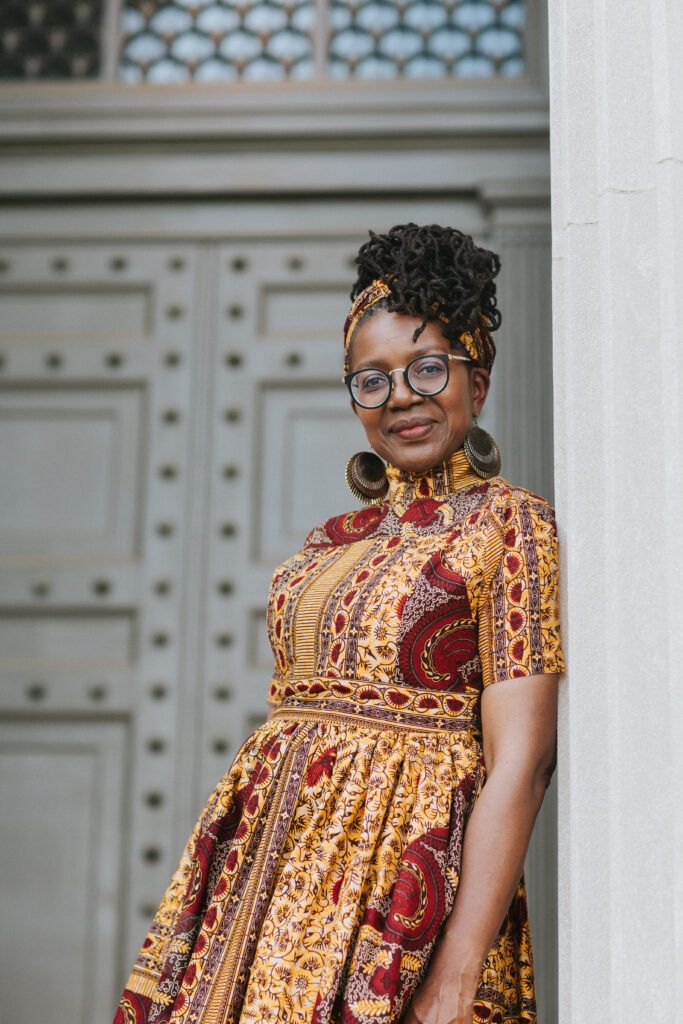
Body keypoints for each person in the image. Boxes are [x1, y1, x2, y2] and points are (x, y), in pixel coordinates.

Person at [114, 223, 564, 1024]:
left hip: (400, 900)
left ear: (478, 379)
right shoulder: (331, 538)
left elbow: (521, 762)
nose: (400, 397)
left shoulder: (511, 526)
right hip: (260, 894)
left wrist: (455, 973)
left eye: (428, 369)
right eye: (371, 380)